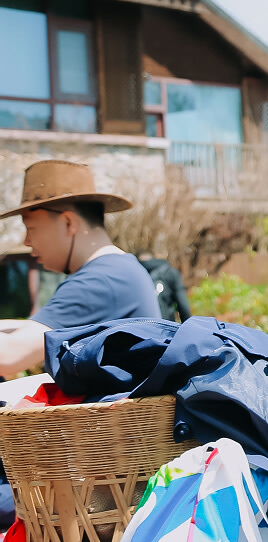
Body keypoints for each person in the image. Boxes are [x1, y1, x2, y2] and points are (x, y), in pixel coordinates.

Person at [0, 160, 160, 378]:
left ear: (68, 223)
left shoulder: (100, 281)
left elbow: (8, 356)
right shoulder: (118, 269)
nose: (27, 241)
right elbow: (32, 329)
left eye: (31, 228)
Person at [138, 252, 192, 322]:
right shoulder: (171, 272)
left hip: (141, 327)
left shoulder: (135, 273)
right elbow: (183, 306)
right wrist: (186, 327)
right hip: (165, 325)